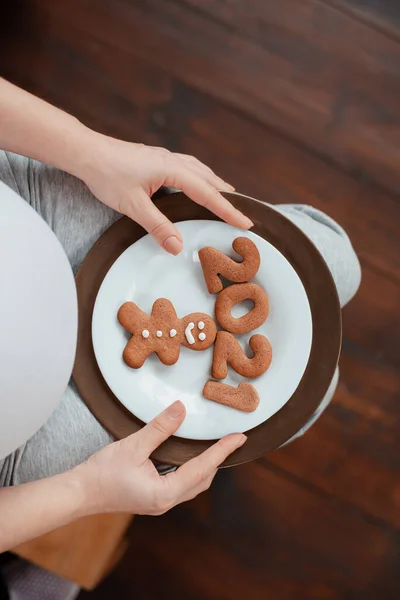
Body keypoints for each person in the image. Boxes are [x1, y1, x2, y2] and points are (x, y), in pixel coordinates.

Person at [0, 78, 361, 553]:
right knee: (311, 395)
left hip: (27, 208)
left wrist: (92, 153)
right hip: (22, 429)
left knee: (339, 263)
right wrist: (85, 492)